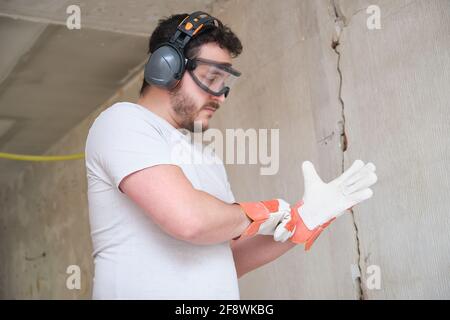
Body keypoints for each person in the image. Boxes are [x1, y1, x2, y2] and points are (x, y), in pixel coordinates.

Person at [85, 11, 377, 299]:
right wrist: (257, 213)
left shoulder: (206, 158)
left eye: (224, 83)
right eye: (211, 78)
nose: (221, 95)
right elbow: (190, 220)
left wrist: (304, 219)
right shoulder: (122, 122)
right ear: (166, 67)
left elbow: (227, 259)